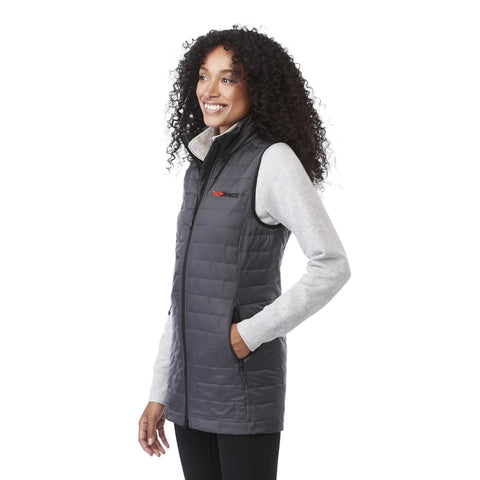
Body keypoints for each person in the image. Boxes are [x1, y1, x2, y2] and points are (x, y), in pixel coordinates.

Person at [138, 25, 351, 480]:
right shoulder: (199, 167)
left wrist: (250, 334)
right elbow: (184, 293)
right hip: (188, 391)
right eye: (203, 76)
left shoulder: (272, 160)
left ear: (257, 87)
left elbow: (331, 263)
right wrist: (161, 389)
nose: (209, 91)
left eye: (228, 78)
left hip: (243, 388)